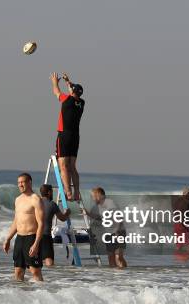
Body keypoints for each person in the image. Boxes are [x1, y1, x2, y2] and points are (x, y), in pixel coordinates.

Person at [2, 173, 45, 281]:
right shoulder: (18, 200)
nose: (20, 185)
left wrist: (36, 244)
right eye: (18, 183)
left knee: (35, 271)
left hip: (31, 237)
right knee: (18, 271)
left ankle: (42, 294)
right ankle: (21, 296)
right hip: (19, 239)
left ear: (29, 182)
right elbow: (16, 221)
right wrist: (8, 238)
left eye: (22, 182)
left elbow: (41, 224)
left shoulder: (35, 199)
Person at [50, 72, 85, 201]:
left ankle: (68, 193)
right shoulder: (81, 103)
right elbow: (73, 91)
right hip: (75, 137)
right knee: (72, 167)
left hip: (64, 135)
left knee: (63, 166)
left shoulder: (66, 100)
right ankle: (76, 193)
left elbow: (56, 92)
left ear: (72, 92)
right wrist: (68, 81)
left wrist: (55, 82)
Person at [81, 187, 128, 268]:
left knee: (118, 257)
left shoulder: (110, 203)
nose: (92, 198)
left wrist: (116, 232)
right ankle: (113, 277)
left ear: (98, 195)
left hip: (119, 232)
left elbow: (119, 217)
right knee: (110, 257)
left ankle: (124, 275)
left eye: (93, 196)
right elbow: (100, 218)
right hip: (109, 234)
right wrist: (88, 213)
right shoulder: (98, 206)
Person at [39, 184, 71, 266]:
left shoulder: (36, 202)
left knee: (35, 260)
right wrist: (67, 212)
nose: (52, 194)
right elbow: (62, 218)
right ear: (49, 192)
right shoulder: (52, 204)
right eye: (52, 192)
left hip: (33, 235)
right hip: (45, 236)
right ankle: (50, 278)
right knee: (49, 261)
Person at [172, 186, 189, 253]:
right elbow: (182, 212)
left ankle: (176, 261)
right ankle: (188, 261)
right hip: (183, 225)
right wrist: (186, 225)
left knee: (179, 245)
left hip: (176, 225)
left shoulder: (177, 201)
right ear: (186, 194)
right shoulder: (185, 202)